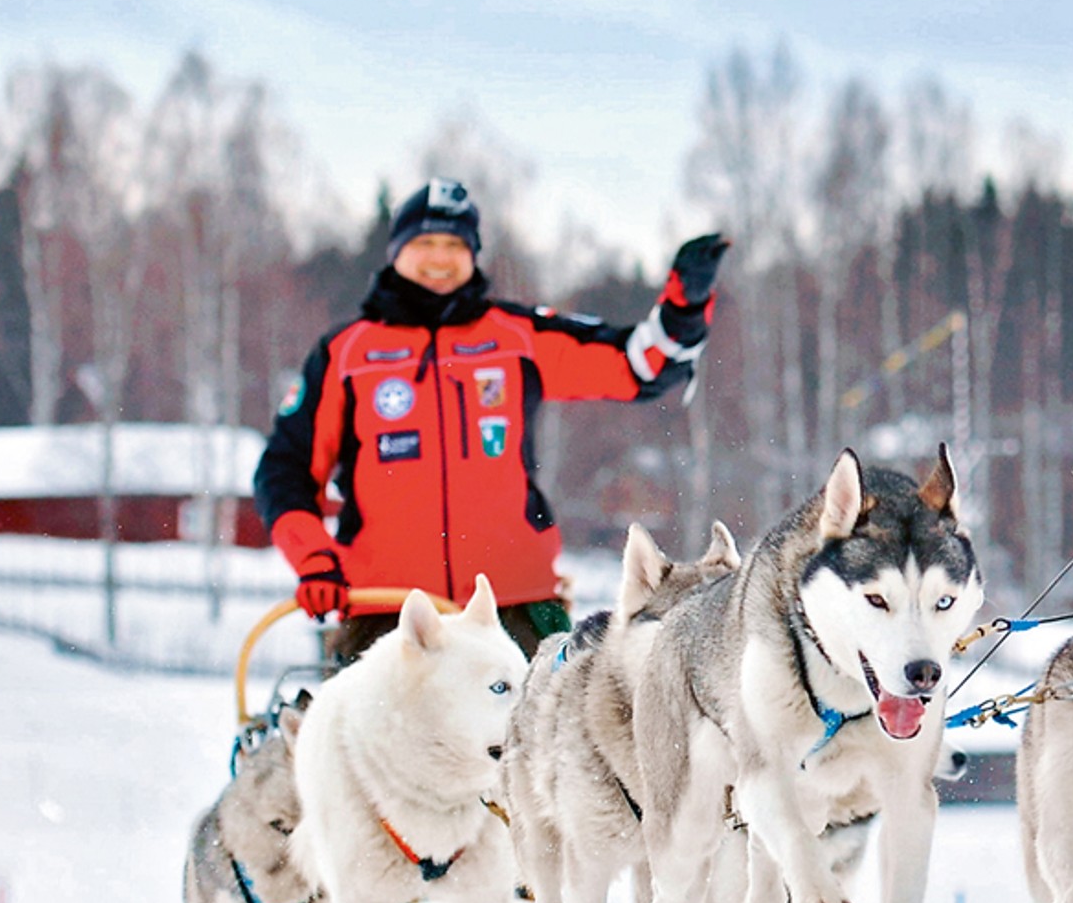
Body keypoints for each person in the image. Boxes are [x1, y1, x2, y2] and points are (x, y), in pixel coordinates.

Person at [253, 177, 728, 662]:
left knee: (555, 714)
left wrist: (683, 308)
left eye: (455, 245)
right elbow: (284, 472)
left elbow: (638, 365)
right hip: (386, 611)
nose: (440, 257)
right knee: (357, 717)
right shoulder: (345, 354)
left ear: (474, 254)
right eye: (425, 243)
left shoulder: (518, 337)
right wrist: (314, 559)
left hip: (516, 608)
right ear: (396, 251)